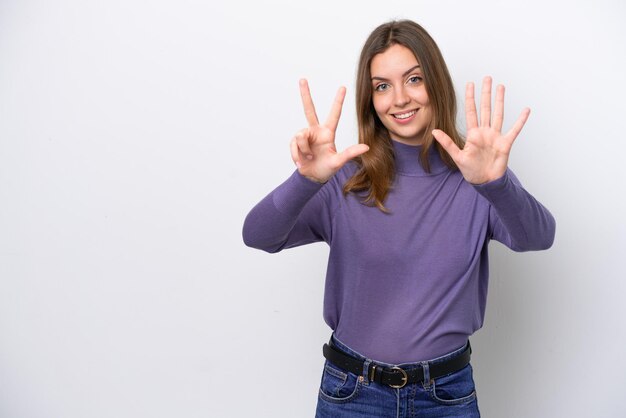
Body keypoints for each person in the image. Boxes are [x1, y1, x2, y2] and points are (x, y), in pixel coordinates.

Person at [242, 19, 555, 418]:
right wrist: (303, 180)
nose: (400, 99)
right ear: (370, 99)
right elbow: (258, 235)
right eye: (382, 86)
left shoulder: (477, 177)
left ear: (436, 83)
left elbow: (538, 237)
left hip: (446, 395)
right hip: (352, 394)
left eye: (414, 79)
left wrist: (496, 184)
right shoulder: (347, 178)